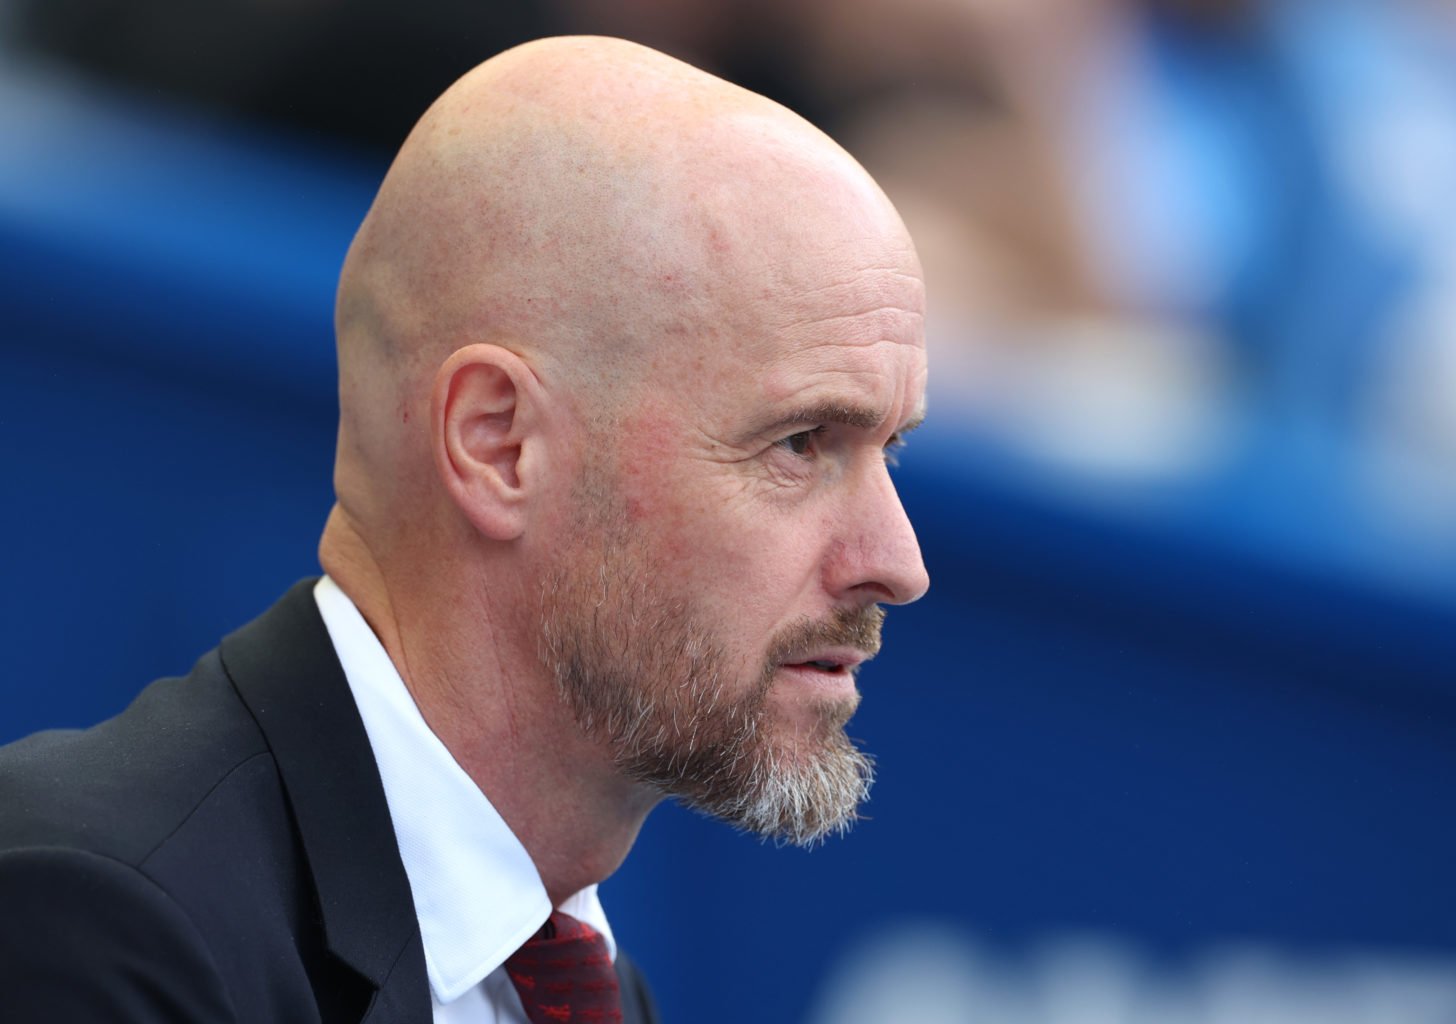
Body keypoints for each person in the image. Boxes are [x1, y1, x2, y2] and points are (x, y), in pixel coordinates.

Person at [0, 34, 929, 1023]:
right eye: (799, 443)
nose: (897, 562)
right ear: (498, 444)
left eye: (891, 451)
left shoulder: (587, 989)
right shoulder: (98, 924)